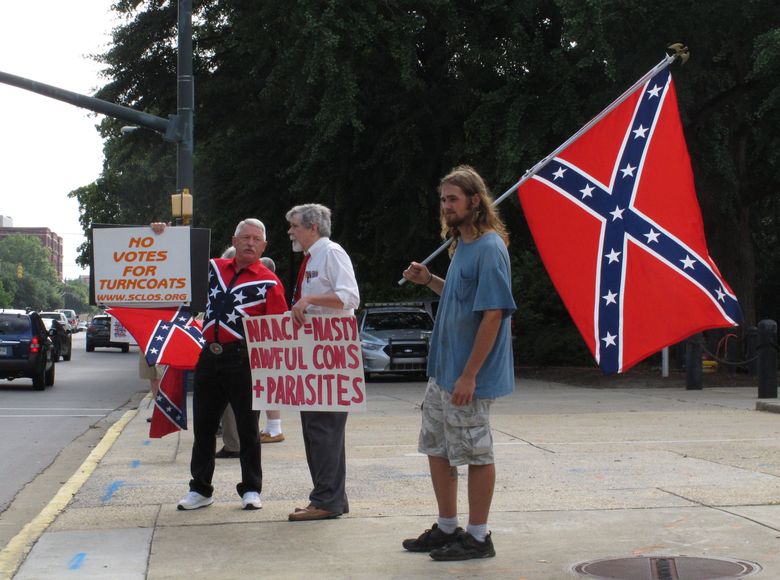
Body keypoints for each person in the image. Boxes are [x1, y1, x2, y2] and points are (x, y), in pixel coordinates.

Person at [401, 165, 515, 561]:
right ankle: (448, 527)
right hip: (443, 373)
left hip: (469, 376)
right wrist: (430, 280)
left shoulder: (489, 247)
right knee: (437, 448)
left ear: (475, 201)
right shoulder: (462, 245)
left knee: (476, 452)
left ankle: (479, 537)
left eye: (453, 199)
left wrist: (470, 375)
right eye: (443, 199)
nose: (446, 206)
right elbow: (463, 297)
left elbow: (494, 313)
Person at [152, 219, 288, 511]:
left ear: (263, 246)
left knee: (248, 428)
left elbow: (278, 329)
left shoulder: (269, 282)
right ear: (234, 240)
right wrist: (162, 235)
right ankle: (200, 489)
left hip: (245, 359)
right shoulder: (211, 268)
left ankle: (251, 488)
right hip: (208, 356)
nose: (250, 243)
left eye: (256, 239)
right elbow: (172, 264)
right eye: (245, 237)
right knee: (203, 426)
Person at [285, 203, 360, 522]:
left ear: (312, 227)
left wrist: (310, 300)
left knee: (323, 429)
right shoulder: (313, 258)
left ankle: (326, 500)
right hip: (314, 354)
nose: (290, 231)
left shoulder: (331, 253)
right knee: (316, 429)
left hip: (330, 355)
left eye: (295, 226)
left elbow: (350, 298)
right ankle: (329, 497)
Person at [217, 253, 285, 458]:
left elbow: (276, 322)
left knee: (250, 404)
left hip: (247, 354)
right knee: (259, 397)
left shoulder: (268, 284)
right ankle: (271, 429)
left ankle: (261, 435)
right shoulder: (268, 285)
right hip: (251, 353)